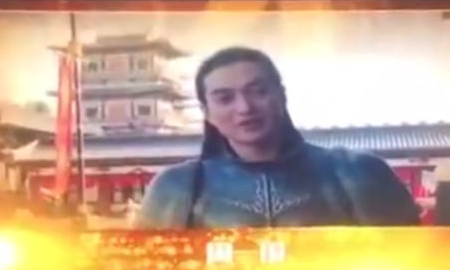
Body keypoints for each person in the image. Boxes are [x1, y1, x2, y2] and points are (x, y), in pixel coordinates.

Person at [137, 47, 420, 229]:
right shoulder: (177, 187)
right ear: (207, 113)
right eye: (225, 98)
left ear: (282, 96)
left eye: (259, 91)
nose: (245, 108)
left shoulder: (357, 172)